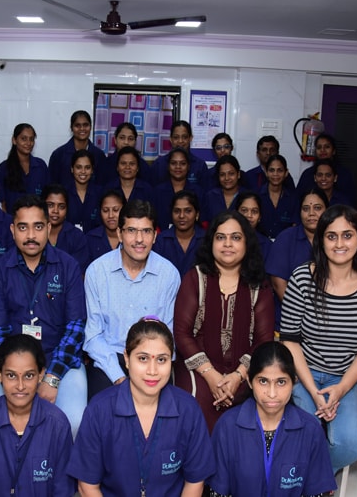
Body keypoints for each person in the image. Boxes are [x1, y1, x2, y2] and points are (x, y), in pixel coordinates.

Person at [280, 204, 357, 473]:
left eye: (347, 235)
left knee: (353, 443)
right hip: (303, 373)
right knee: (304, 434)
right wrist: (313, 392)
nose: (340, 244)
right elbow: (290, 340)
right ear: (321, 240)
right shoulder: (302, 278)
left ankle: (312, 479)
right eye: (331, 236)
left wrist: (340, 389)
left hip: (348, 377)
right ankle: (308, 482)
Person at [68, 318, 215, 496]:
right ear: (127, 359)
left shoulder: (188, 410)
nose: (152, 371)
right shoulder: (99, 410)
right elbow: (87, 486)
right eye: (143, 358)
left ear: (171, 360)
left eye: (161, 359)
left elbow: (195, 481)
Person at [0, 195, 87, 437]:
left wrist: (52, 377)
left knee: (73, 421)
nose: (31, 235)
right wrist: (14, 374)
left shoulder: (68, 266)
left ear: (49, 228)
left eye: (38, 227)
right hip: (12, 361)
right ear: (12, 230)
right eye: (23, 227)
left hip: (58, 359)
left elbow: (75, 328)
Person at [173, 211, 275, 432]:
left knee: (247, 415)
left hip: (244, 369)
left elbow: (264, 340)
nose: (227, 244)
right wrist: (211, 375)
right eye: (220, 237)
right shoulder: (195, 278)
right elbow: (181, 333)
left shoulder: (260, 285)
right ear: (211, 242)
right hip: (198, 367)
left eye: (236, 237)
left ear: (247, 243)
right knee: (195, 405)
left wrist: (238, 376)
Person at [208, 341, 336, 497]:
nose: (272, 393)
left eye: (281, 382)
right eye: (263, 381)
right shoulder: (227, 426)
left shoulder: (311, 430)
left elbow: (318, 492)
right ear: (249, 381)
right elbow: (216, 491)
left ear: (294, 382)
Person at [84, 200, 180, 399]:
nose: (139, 239)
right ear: (119, 233)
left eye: (146, 231)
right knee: (105, 408)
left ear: (155, 235)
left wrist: (147, 367)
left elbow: (168, 335)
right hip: (109, 358)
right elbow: (93, 336)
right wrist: (119, 377)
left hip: (152, 358)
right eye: (131, 231)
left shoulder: (168, 274)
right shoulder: (97, 271)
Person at [0, 335, 75, 496]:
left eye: (28, 376)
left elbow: (63, 491)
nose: (20, 386)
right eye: (11, 375)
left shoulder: (58, 425)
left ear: (41, 374)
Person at [268, 189, 328, 302]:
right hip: (292, 308)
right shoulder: (286, 238)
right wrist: (298, 309)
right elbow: (278, 283)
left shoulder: (334, 238)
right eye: (306, 209)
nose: (311, 213)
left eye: (317, 208)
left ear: (327, 211)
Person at [0, 123, 50, 211]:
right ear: (14, 140)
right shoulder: (4, 168)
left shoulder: (41, 166)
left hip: (37, 217)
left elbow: (47, 196)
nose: (28, 143)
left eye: (31, 139)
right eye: (24, 139)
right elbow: (2, 204)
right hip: (12, 218)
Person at [153, 190, 205, 278]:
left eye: (188, 211)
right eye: (177, 211)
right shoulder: (161, 241)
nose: (181, 216)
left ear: (197, 215)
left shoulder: (206, 240)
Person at [48, 110, 107, 188]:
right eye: (77, 125)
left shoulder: (99, 155)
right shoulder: (59, 155)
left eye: (85, 125)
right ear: (71, 128)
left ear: (91, 127)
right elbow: (52, 186)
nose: (82, 128)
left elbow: (103, 185)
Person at [42, 183, 90, 273]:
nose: (55, 211)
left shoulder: (77, 236)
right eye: (50, 205)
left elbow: (79, 272)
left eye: (61, 207)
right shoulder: (34, 234)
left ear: (67, 209)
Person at [153, 148, 204, 231]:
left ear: (188, 166)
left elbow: (201, 220)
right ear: (168, 166)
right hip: (161, 236)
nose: (178, 167)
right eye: (173, 163)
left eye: (182, 163)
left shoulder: (198, 192)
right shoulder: (157, 191)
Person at [296, 133, 356, 203]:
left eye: (327, 147)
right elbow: (297, 200)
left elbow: (350, 201)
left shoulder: (344, 174)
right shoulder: (308, 174)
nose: (322, 150)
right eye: (319, 147)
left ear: (334, 151)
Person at [149, 121, 209, 188]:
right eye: (176, 137)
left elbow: (204, 192)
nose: (180, 141)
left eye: (185, 137)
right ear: (171, 139)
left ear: (190, 138)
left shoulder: (200, 166)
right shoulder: (159, 164)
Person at [258, 154, 300, 239]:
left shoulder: (293, 199)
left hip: (285, 243)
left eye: (280, 170)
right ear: (266, 172)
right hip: (260, 243)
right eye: (272, 170)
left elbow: (295, 226)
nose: (275, 174)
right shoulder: (257, 196)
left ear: (286, 173)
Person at [66, 149, 103, 232]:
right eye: (78, 167)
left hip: (95, 239)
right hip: (69, 239)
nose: (83, 171)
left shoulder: (101, 193)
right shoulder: (64, 193)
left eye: (87, 167)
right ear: (72, 169)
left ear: (92, 170)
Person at [85, 189, 125, 264]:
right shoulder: (90, 239)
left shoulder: (132, 237)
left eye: (116, 210)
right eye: (105, 210)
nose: (111, 215)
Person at [202, 155, 246, 223]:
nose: (227, 178)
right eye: (222, 174)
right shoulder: (210, 196)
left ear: (238, 174)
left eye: (231, 174)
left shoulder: (247, 196)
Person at [234, 191, 272, 264]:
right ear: (236, 213)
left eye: (254, 211)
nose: (249, 215)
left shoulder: (267, 245)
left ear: (259, 217)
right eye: (244, 210)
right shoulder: (227, 240)